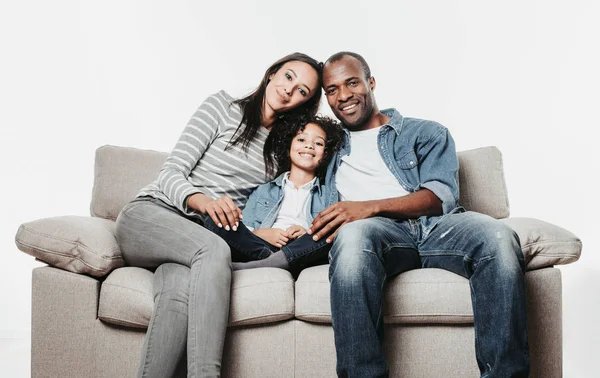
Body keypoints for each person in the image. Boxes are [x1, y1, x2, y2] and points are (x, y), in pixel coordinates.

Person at [308, 51, 529, 378]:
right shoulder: (323, 148)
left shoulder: (425, 132)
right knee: (353, 237)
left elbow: (440, 196)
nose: (343, 96)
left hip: (439, 228)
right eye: (332, 89)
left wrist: (369, 205)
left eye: (351, 82)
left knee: (498, 236)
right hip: (375, 236)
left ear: (370, 83)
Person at [115, 52, 323, 377]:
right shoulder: (223, 107)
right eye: (288, 77)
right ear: (272, 74)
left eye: (302, 91)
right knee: (214, 250)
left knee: (175, 299)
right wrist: (204, 202)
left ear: (303, 104)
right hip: (149, 217)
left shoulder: (280, 150)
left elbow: (260, 207)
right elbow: (171, 172)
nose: (289, 90)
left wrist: (264, 232)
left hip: (191, 242)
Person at [204, 114, 344, 272]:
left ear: (325, 154)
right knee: (214, 219)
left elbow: (332, 234)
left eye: (318, 143)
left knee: (332, 232)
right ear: (288, 147)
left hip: (304, 251)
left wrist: (306, 233)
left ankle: (272, 262)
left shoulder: (329, 194)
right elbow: (246, 228)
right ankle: (274, 261)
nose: (309, 146)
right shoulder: (263, 190)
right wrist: (261, 234)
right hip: (263, 246)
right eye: (301, 140)